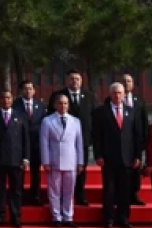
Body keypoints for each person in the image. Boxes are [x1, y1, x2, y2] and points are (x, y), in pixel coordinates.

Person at [91, 82, 142, 228]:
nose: (117, 95)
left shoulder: (131, 111)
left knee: (125, 191)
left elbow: (137, 136)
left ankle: (124, 218)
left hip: (127, 158)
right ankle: (108, 219)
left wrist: (138, 156)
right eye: (114, 93)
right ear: (110, 94)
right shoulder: (101, 112)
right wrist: (98, 155)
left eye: (120, 93)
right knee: (109, 190)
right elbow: (97, 136)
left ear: (124, 94)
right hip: (108, 158)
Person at [0, 89, 28, 228]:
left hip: (16, 159)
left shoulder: (20, 116)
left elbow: (25, 139)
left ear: (12, 99)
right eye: (2, 98)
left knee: (16, 190)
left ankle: (16, 216)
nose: (5, 100)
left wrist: (26, 158)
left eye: (8, 98)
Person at [49, 70, 93, 206]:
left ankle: (80, 194)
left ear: (81, 81)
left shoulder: (89, 96)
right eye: (72, 79)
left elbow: (94, 117)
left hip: (83, 140)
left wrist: (91, 137)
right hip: (62, 140)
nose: (75, 81)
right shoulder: (58, 95)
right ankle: (63, 196)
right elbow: (50, 118)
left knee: (81, 168)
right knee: (62, 170)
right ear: (67, 80)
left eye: (77, 79)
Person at [39, 94, 83, 227]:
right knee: (54, 191)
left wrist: (80, 162)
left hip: (71, 161)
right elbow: (44, 142)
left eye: (65, 103)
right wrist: (45, 161)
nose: (63, 106)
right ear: (55, 105)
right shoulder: (47, 121)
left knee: (69, 191)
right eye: (60, 103)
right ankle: (56, 217)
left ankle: (68, 217)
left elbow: (79, 143)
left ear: (68, 105)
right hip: (54, 161)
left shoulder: (75, 121)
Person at [12, 81, 45, 206]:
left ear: (34, 91)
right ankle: (18, 198)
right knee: (19, 173)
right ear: (21, 91)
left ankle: (35, 196)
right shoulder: (15, 105)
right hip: (20, 144)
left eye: (30, 88)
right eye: (25, 89)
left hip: (36, 144)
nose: (28, 91)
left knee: (36, 172)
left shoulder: (40, 105)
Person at [119, 74, 149, 206]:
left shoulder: (140, 101)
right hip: (119, 142)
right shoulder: (112, 99)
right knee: (120, 169)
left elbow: (144, 122)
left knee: (135, 169)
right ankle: (119, 195)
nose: (126, 83)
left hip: (135, 141)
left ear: (133, 84)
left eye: (129, 81)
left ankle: (134, 194)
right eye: (124, 81)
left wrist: (145, 140)